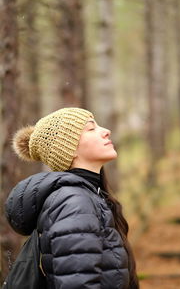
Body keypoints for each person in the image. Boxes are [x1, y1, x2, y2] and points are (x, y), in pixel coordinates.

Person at [5, 107, 139, 289]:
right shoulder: (74, 202)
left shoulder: (87, 196)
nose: (106, 131)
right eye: (91, 129)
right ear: (68, 149)